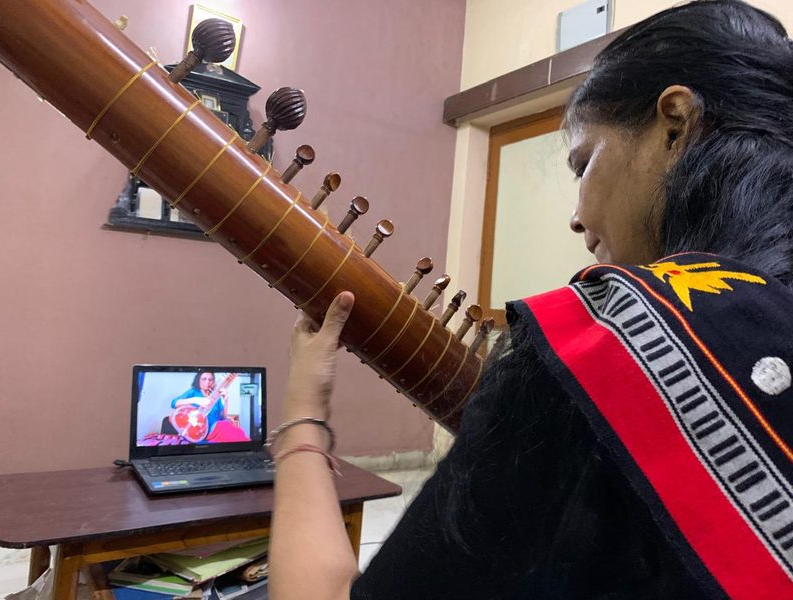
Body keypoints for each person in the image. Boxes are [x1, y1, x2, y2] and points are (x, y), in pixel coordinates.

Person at [268, 1, 793, 598]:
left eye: (584, 163)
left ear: (675, 123)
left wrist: (301, 416)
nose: (577, 218)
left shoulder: (608, 349)